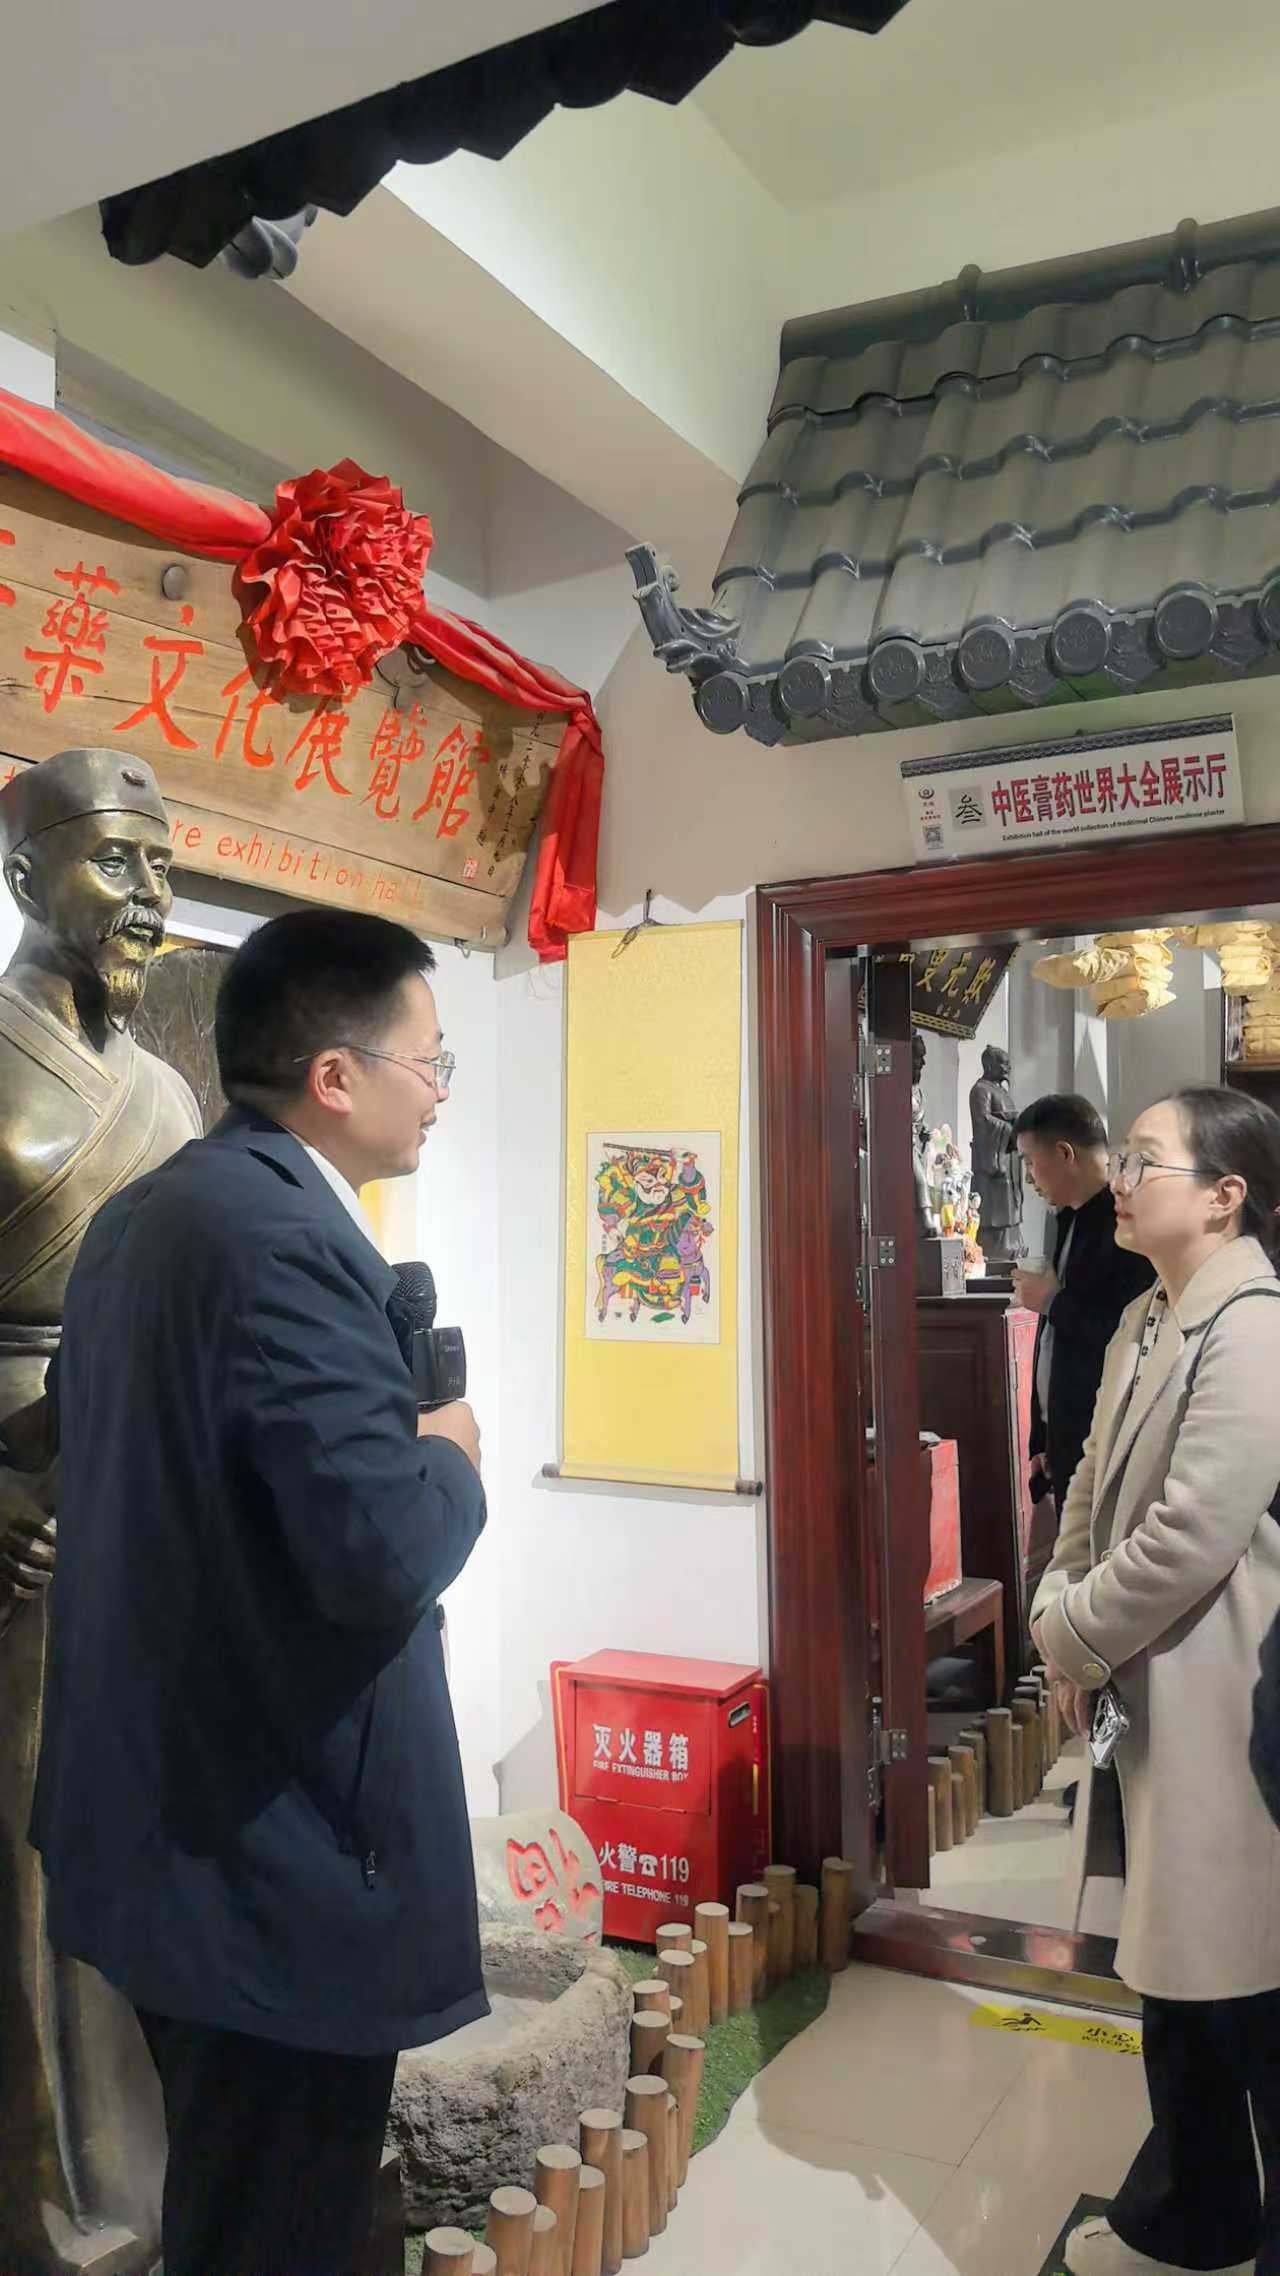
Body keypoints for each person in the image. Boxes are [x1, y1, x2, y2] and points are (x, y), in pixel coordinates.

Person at [30, 906, 489, 2276]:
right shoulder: (281, 1239)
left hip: (162, 1816)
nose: (441, 1091)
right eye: (429, 1060)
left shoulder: (143, 1212)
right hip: (271, 1844)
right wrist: (451, 1453)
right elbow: (380, 1548)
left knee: (226, 2193)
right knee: (278, 2219)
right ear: (335, 1076)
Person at [0, 747, 201, 2272]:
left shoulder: (168, 1086)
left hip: (143, 1510)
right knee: (26, 1863)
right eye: (115, 859)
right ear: (24, 873)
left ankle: (146, 2186)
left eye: (162, 866)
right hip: (25, 1522)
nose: (148, 895)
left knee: (140, 1841)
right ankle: (58, 2210)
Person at [1030, 1086, 1280, 2276]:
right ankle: (1192, 2212)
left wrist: (1070, 1633)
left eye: (1144, 1159)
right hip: (1147, 1679)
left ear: (1224, 1196)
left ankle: (1219, 2214)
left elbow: (1191, 1534)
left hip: (1217, 1692)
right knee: (1176, 1968)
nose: (1117, 1178)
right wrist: (1058, 1603)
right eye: (1118, 1157)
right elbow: (1087, 1480)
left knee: (1243, 1972)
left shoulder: (1253, 1324)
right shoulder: (1147, 1310)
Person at [1013, 1094, 1155, 1520]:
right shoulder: (1068, 1219)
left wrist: (1051, 1300)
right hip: (1065, 1437)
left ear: (1064, 1153)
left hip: (1106, 1438)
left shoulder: (1125, 1225)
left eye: (1029, 1161)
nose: (1027, 1177)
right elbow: (1052, 1342)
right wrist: (1042, 1438)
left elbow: (1129, 1334)